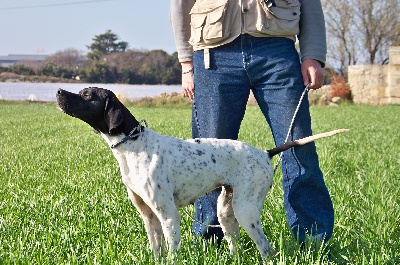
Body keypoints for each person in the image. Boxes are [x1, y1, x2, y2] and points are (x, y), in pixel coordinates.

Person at [170, 0, 333, 246]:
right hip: (213, 53)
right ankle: (209, 242)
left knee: (298, 149)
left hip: (277, 49)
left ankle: (313, 242)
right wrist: (185, 61)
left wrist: (313, 53)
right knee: (209, 156)